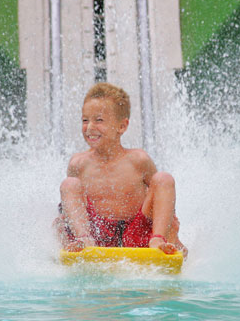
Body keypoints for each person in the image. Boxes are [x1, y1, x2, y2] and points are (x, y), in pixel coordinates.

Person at [56, 82, 186, 256]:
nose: (90, 127)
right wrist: (62, 228)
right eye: (85, 120)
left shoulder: (138, 160)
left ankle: (159, 240)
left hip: (137, 235)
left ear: (122, 126)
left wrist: (171, 230)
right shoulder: (78, 164)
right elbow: (70, 206)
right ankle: (83, 241)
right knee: (69, 184)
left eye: (99, 120)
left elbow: (160, 197)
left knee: (164, 179)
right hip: (96, 236)